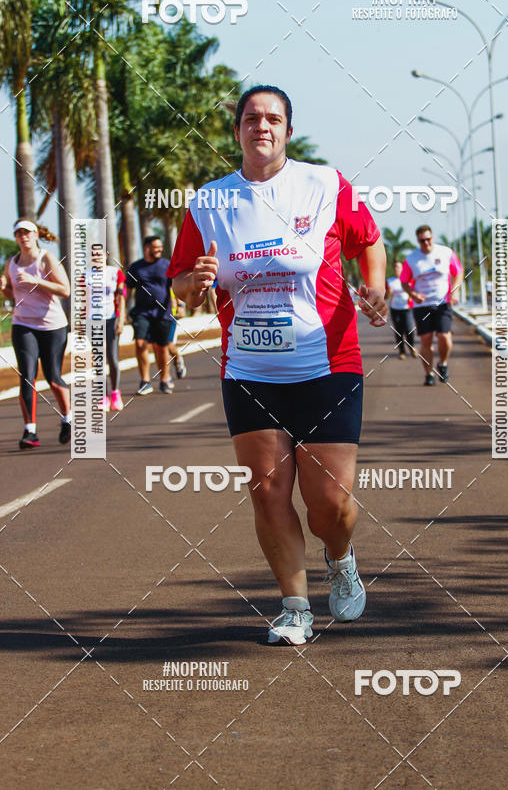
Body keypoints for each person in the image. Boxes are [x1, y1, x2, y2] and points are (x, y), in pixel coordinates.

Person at [168, 84, 387, 645]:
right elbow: (184, 284)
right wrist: (192, 284)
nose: (261, 126)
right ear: (237, 129)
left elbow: (371, 240)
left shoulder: (324, 183)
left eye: (273, 118)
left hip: (328, 363)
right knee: (268, 493)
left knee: (330, 503)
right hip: (249, 370)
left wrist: (377, 287)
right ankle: (295, 607)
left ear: (288, 129)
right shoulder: (209, 202)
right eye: (250, 118)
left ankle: (339, 556)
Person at [0, 220, 71, 449]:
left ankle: (67, 420)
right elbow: (11, 293)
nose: (23, 237)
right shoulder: (11, 262)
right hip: (23, 324)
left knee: (53, 376)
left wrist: (36, 280)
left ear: (36, 235)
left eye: (27, 233)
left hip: (52, 325)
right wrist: (3, 288)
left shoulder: (46, 258)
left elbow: (65, 290)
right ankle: (30, 431)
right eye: (19, 233)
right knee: (27, 377)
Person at [400, 225, 463, 386]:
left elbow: (459, 272)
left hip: (443, 303)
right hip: (422, 306)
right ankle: (428, 374)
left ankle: (442, 364)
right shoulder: (411, 259)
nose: (426, 243)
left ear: (432, 237)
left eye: (428, 239)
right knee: (426, 340)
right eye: (422, 241)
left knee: (444, 336)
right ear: (418, 241)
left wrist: (454, 291)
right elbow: (404, 281)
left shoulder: (446, 252)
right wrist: (414, 295)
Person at [126, 236, 175, 395]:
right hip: (141, 312)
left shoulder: (166, 265)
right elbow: (128, 289)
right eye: (156, 247)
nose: (160, 250)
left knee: (161, 348)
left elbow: (174, 287)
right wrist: (125, 311)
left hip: (163, 313)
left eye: (160, 247)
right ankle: (145, 381)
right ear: (147, 248)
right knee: (140, 344)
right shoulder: (136, 268)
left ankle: (164, 379)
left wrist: (178, 306)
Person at [85, 247, 126, 412]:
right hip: (93, 320)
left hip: (111, 318)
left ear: (106, 256)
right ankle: (103, 396)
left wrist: (121, 319)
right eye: (93, 254)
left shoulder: (115, 273)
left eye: (100, 254)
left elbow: (122, 296)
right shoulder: (86, 276)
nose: (97, 257)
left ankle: (115, 392)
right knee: (99, 359)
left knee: (113, 357)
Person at [385, 260, 417, 359]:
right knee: (398, 331)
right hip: (395, 308)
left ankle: (412, 347)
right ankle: (402, 352)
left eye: (398, 267)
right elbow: (386, 297)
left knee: (409, 329)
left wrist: (411, 296)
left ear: (402, 268)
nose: (396, 269)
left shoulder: (408, 279)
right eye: (395, 267)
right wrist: (389, 292)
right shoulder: (390, 281)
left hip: (407, 308)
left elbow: (415, 291)